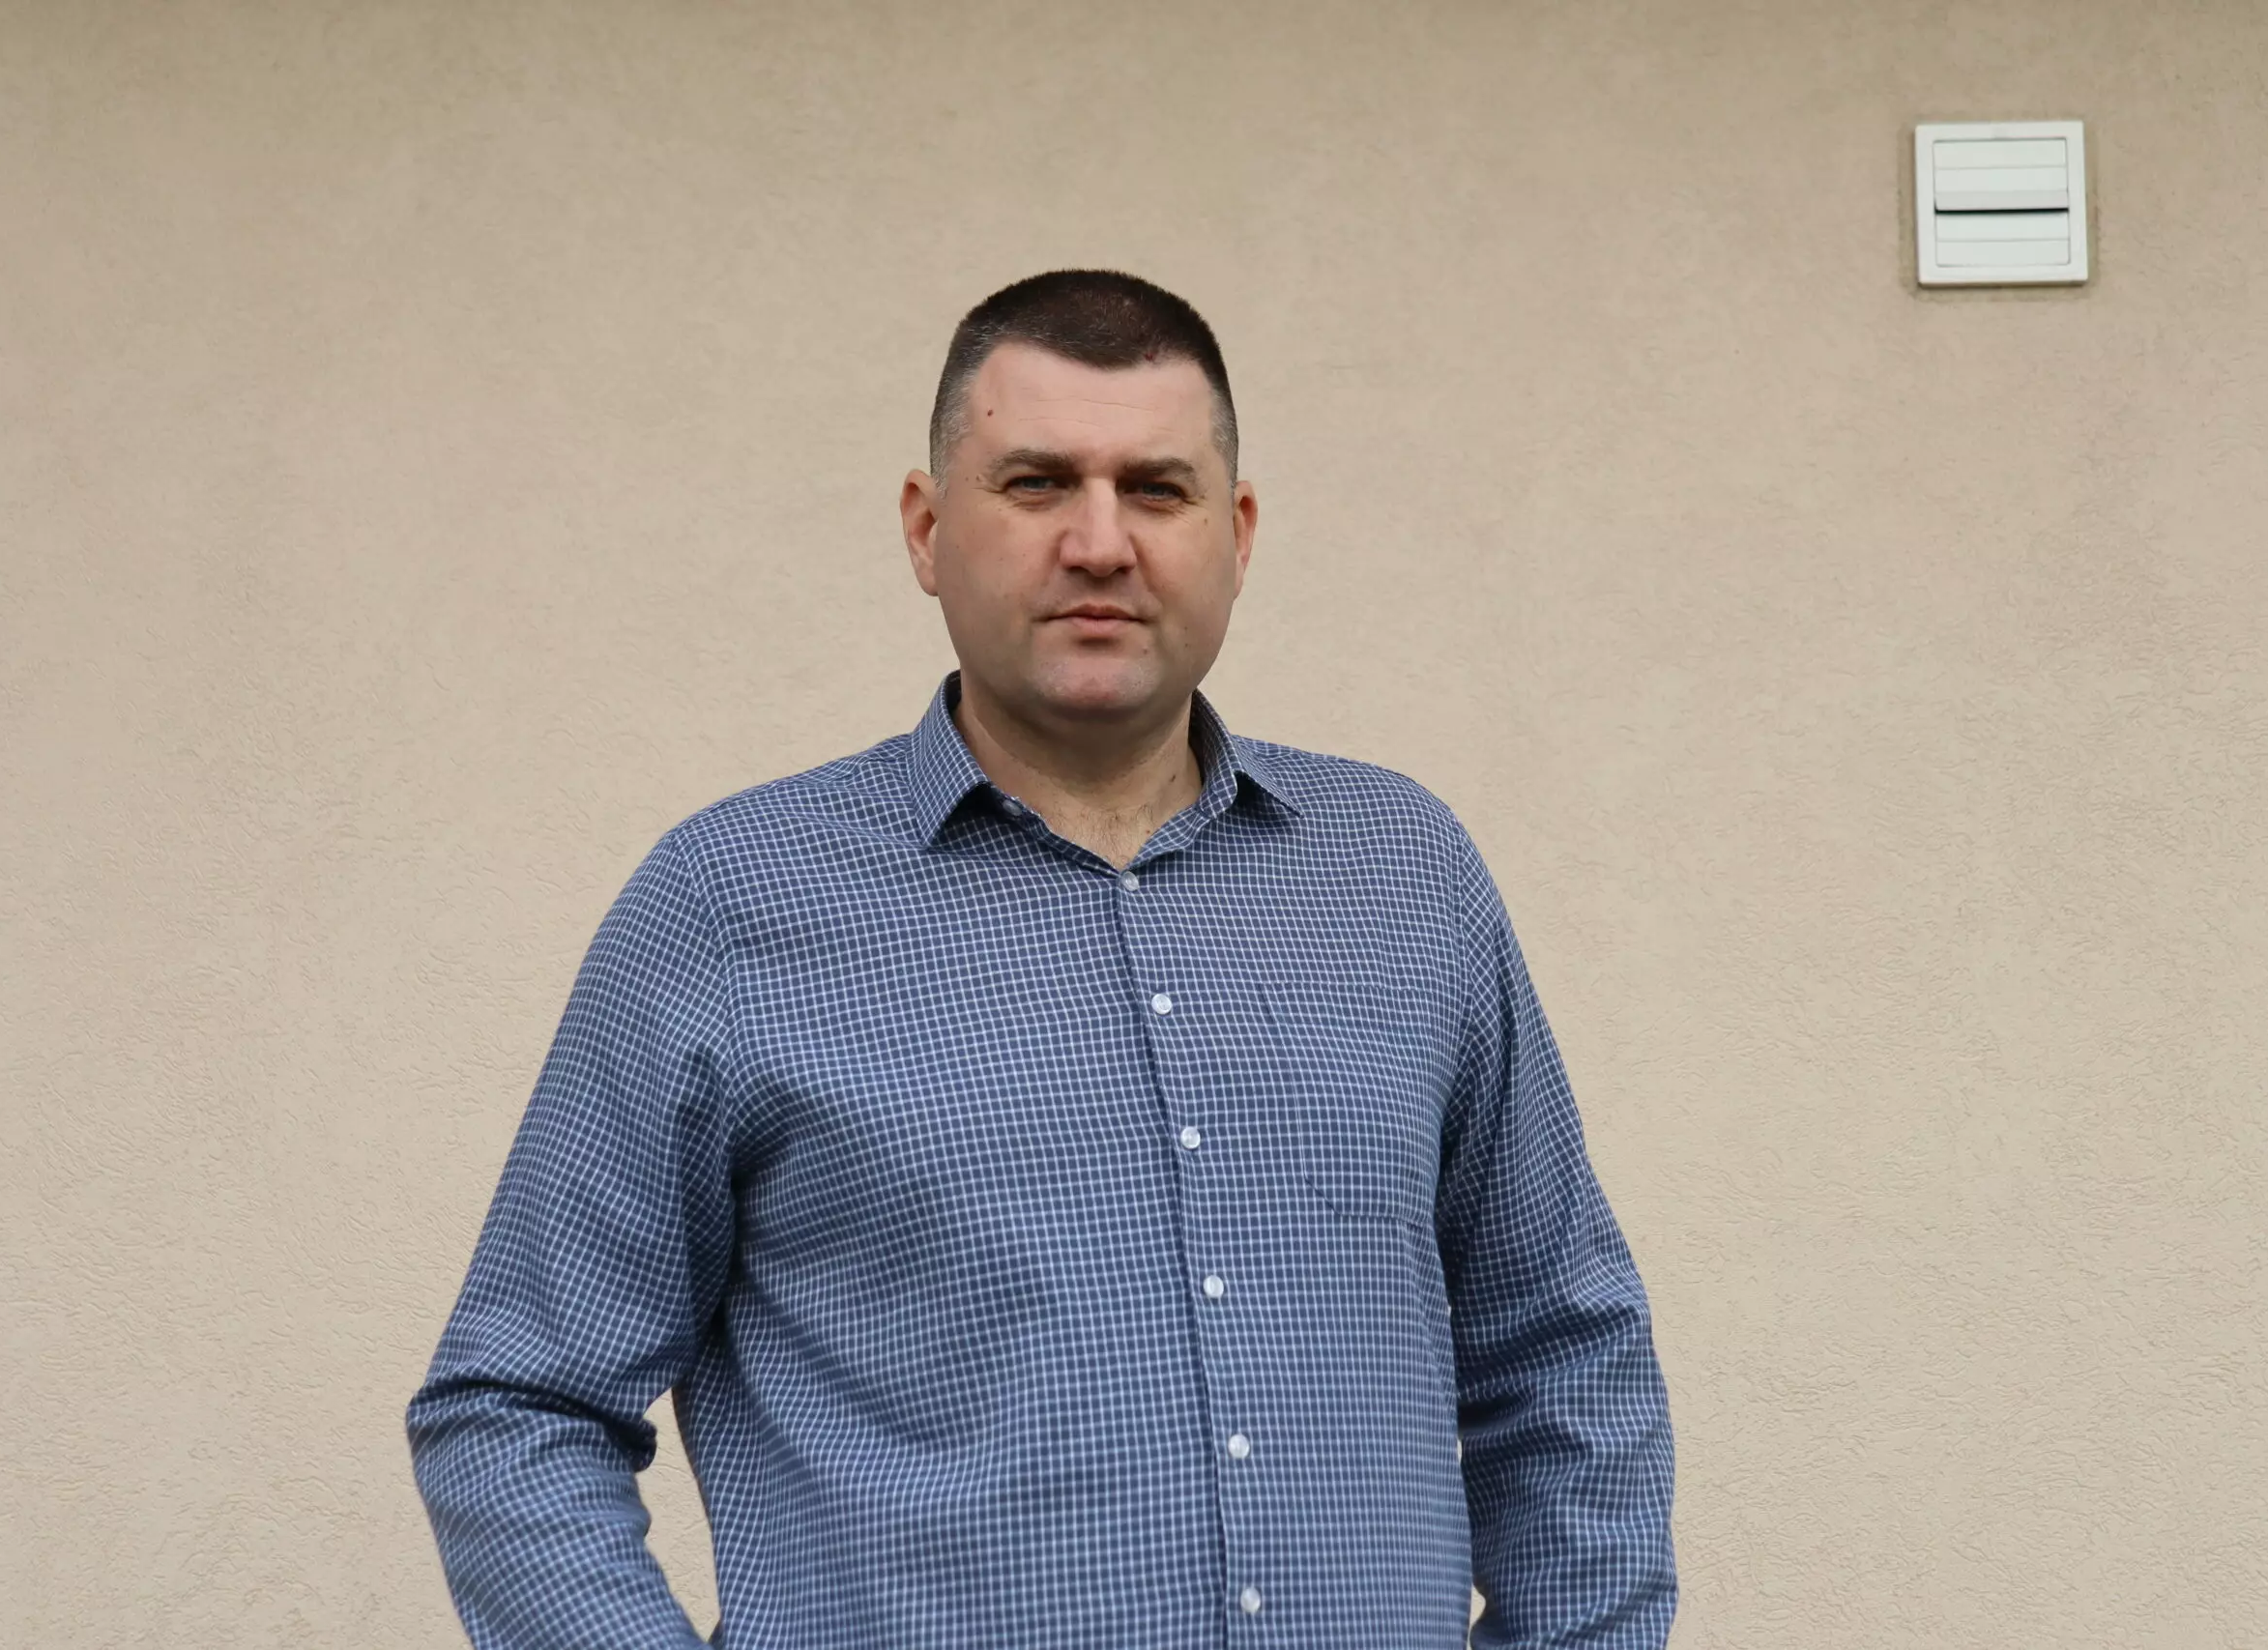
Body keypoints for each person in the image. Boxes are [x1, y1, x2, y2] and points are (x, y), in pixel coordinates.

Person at [406, 269, 1676, 1649]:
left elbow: (1564, 1358)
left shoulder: (1404, 879)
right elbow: (517, 1405)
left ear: (1238, 533)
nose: (1100, 543)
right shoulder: (729, 906)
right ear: (925, 528)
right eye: (1036, 483)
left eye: (1157, 490)